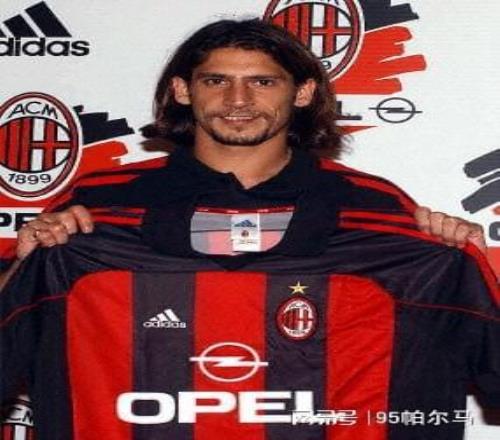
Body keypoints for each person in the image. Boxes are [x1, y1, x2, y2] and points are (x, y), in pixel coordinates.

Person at [0, 18, 498, 440]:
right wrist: (27, 261)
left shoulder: (374, 205)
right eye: (216, 80)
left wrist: (459, 256)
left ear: (302, 93)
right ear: (183, 90)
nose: (237, 99)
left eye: (263, 82)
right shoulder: (99, 201)